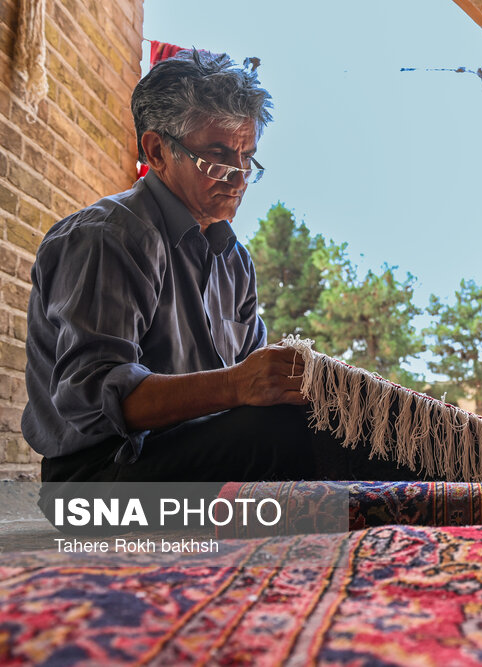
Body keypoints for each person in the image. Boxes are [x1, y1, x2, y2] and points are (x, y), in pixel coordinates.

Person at [22, 50, 418, 487]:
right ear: (157, 151)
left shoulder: (233, 261)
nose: (239, 177)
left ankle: (469, 489)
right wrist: (236, 385)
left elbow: (256, 387)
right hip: (97, 481)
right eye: (218, 156)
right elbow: (91, 397)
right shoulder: (109, 237)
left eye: (248, 158)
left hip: (194, 455)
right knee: (291, 433)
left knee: (344, 418)